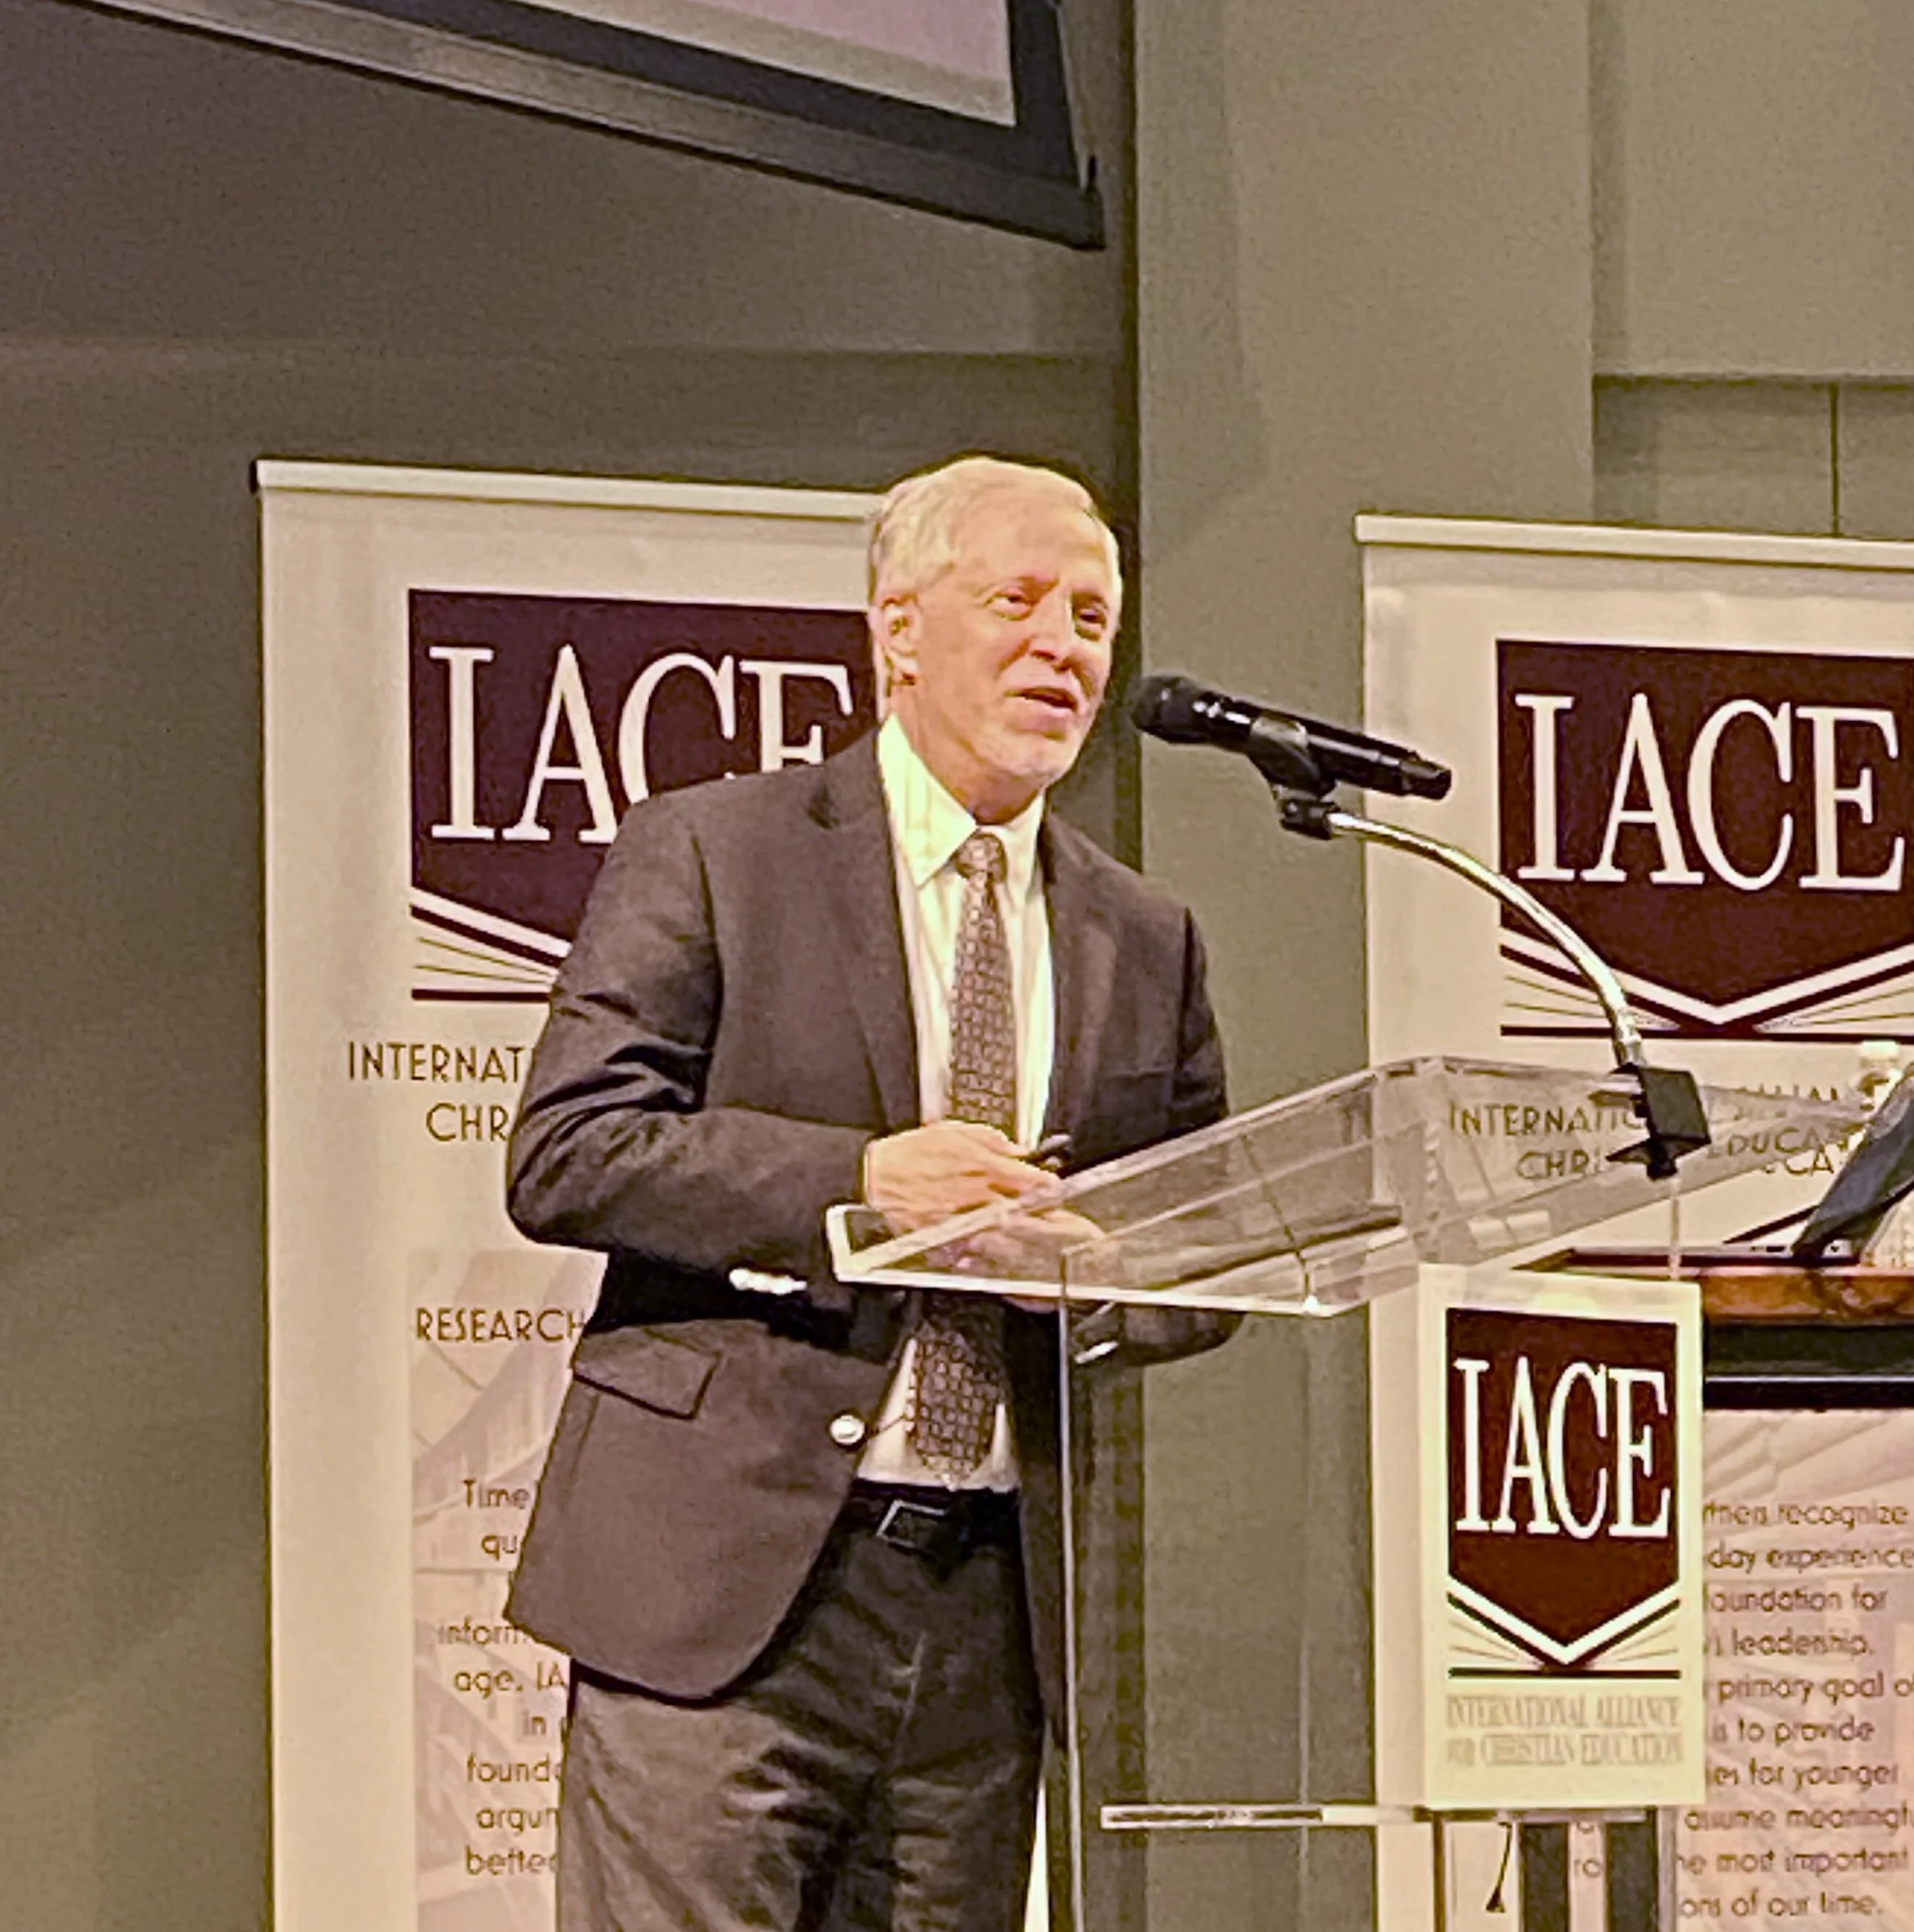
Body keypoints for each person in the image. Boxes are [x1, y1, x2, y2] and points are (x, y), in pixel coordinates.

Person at [504, 455, 1232, 1932]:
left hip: (984, 1610)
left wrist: (1093, 1275)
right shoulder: (718, 849)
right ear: (900, 632)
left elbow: (1204, 1239)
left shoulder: (1143, 933)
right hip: (729, 1595)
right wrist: (855, 1183)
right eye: (1017, 603)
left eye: (1093, 617)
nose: (1064, 647)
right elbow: (568, 1146)